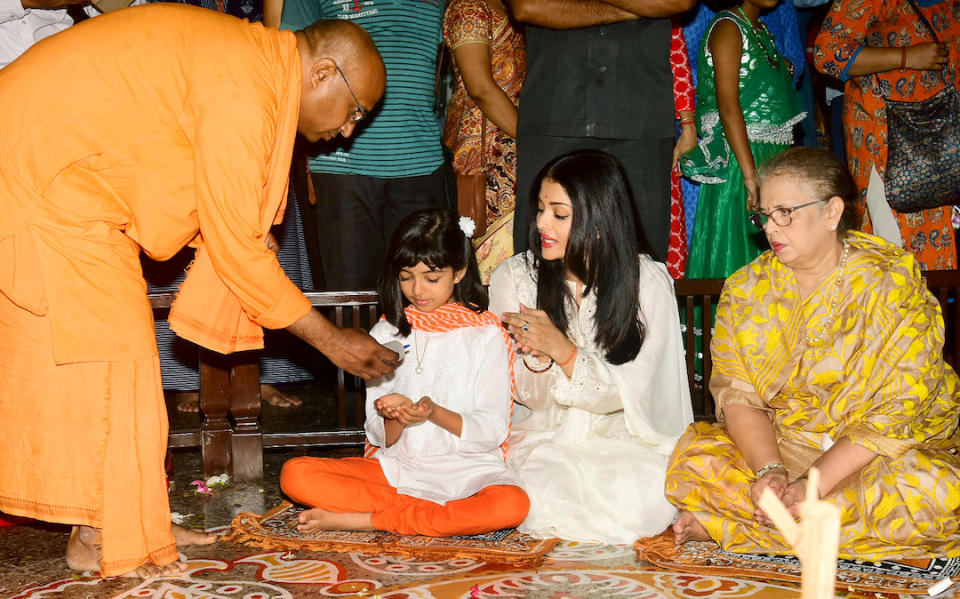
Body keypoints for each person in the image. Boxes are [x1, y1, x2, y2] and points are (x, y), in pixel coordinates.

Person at [0, 4, 395, 578]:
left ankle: (129, 522)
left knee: (122, 365)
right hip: (36, 180)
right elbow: (238, 248)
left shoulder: (250, 65)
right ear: (323, 73)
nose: (350, 128)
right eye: (355, 110)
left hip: (61, 186)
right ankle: (103, 534)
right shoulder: (247, 82)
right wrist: (330, 341)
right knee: (114, 355)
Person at [667, 148, 960, 559]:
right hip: (783, 446)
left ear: (831, 212)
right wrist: (770, 472)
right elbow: (738, 396)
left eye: (785, 212)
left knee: (936, 493)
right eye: (764, 215)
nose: (770, 228)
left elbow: (898, 410)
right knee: (693, 457)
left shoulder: (891, 282)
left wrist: (813, 484)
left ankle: (733, 527)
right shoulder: (746, 290)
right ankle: (784, 522)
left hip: (872, 456)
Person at [281, 209, 529, 536]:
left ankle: (368, 520)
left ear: (459, 272)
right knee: (295, 475)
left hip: (468, 473)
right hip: (401, 471)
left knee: (512, 504)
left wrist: (433, 413)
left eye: (432, 277)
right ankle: (430, 517)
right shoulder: (385, 333)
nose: (417, 290)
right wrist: (393, 416)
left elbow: (493, 429)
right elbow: (376, 432)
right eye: (406, 276)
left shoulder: (486, 334)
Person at [488, 150, 694, 545]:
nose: (542, 224)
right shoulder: (514, 278)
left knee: (646, 499)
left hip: (626, 435)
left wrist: (563, 351)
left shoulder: (647, 281)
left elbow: (637, 392)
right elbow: (525, 398)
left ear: (598, 219)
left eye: (559, 214)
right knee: (536, 492)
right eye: (540, 209)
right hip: (543, 435)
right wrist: (539, 357)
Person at [281, 0, 451, 292]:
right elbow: (288, 61)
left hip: (421, 162)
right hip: (341, 166)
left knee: (423, 300)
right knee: (351, 300)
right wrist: (309, 156)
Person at [505, 0, 695, 260]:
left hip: (639, 116)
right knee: (539, 259)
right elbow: (527, 6)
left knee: (641, 261)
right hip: (555, 111)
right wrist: (631, 10)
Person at [814, 0, 959, 270]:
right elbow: (828, 53)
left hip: (947, 139)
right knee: (894, 257)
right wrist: (906, 57)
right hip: (888, 142)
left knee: (942, 261)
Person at [681, 0, 805, 280]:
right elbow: (728, 107)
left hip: (771, 158)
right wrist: (750, 176)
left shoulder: (760, 30)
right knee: (739, 252)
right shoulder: (728, 27)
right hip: (742, 159)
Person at [442, 0, 525, 284]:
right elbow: (480, 87)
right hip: (488, 157)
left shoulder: (515, 8)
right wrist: (532, 140)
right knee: (492, 267)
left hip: (517, 150)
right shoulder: (470, 7)